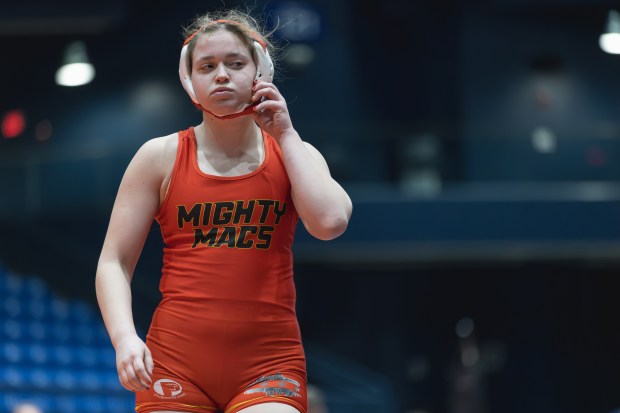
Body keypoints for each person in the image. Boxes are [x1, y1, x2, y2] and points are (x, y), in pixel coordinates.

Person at [95, 8, 352, 413]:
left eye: (235, 64)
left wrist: (285, 133)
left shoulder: (293, 154)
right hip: (176, 363)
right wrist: (125, 337)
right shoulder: (159, 157)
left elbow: (330, 223)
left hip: (269, 363)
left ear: (260, 73)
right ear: (189, 80)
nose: (221, 75)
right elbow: (113, 261)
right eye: (207, 65)